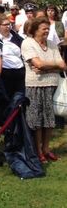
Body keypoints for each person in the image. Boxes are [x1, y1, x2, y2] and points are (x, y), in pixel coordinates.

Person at [21, 17, 67, 163]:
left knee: (49, 120)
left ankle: (46, 149)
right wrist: (53, 66)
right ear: (35, 30)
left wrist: (46, 67)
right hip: (35, 86)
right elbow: (37, 64)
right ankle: (38, 150)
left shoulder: (52, 44)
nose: (47, 31)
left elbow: (63, 65)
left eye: (48, 28)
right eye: (44, 29)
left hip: (52, 85)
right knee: (37, 120)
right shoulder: (28, 43)